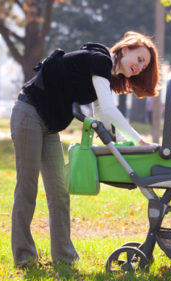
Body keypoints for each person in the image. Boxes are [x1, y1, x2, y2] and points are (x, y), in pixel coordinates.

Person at [9, 31, 160, 267]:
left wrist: (123, 144)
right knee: (27, 187)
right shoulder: (99, 60)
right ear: (125, 49)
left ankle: (64, 257)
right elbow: (108, 110)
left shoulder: (104, 74)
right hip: (28, 114)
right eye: (139, 59)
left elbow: (101, 113)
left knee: (59, 192)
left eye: (144, 65)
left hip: (49, 126)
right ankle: (24, 257)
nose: (140, 67)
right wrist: (140, 141)